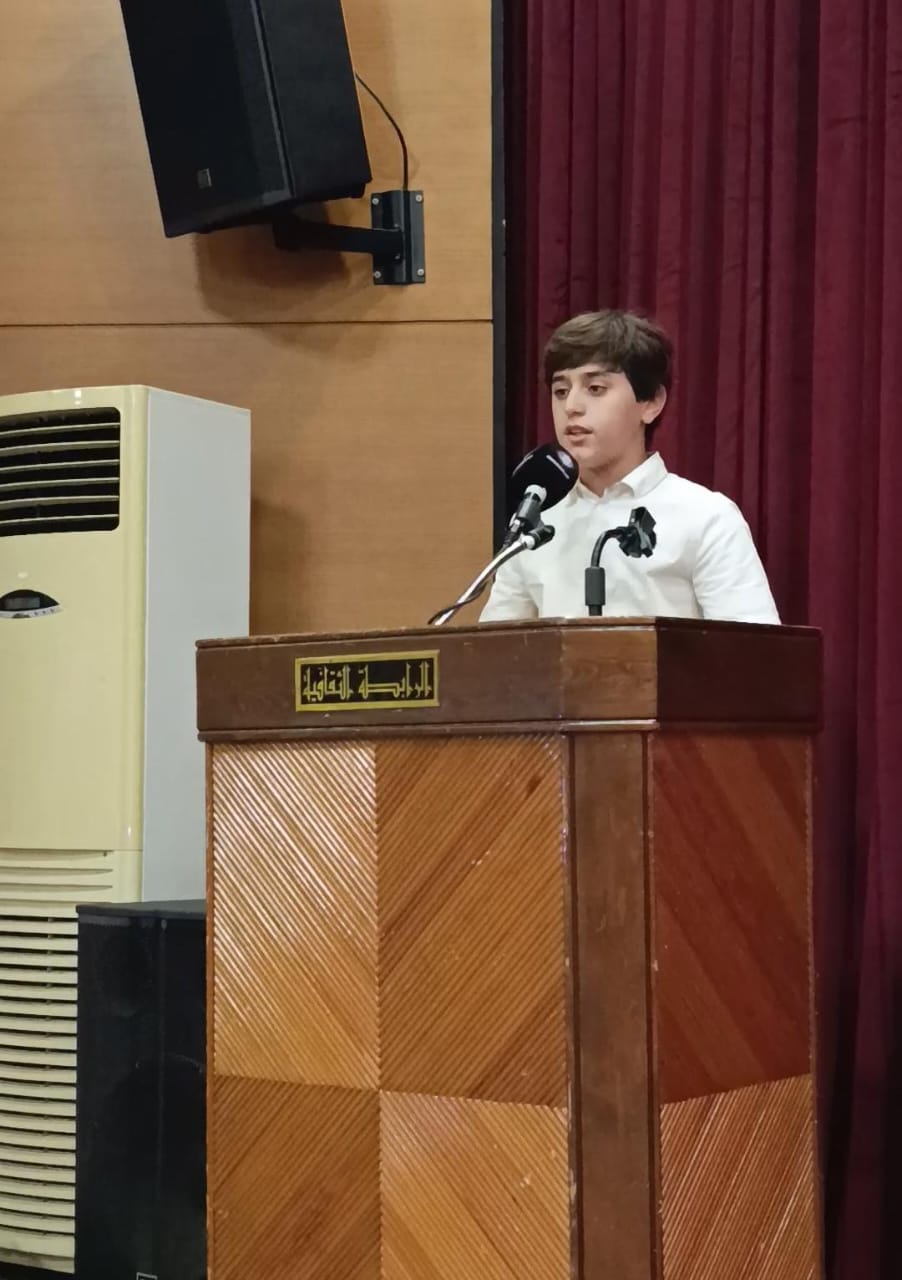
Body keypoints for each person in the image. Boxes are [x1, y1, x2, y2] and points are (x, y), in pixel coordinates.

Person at [479, 309, 780, 624]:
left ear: (651, 402)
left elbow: (751, 647)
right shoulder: (535, 525)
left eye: (595, 389)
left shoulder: (707, 518)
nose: (571, 407)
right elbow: (495, 646)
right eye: (561, 391)